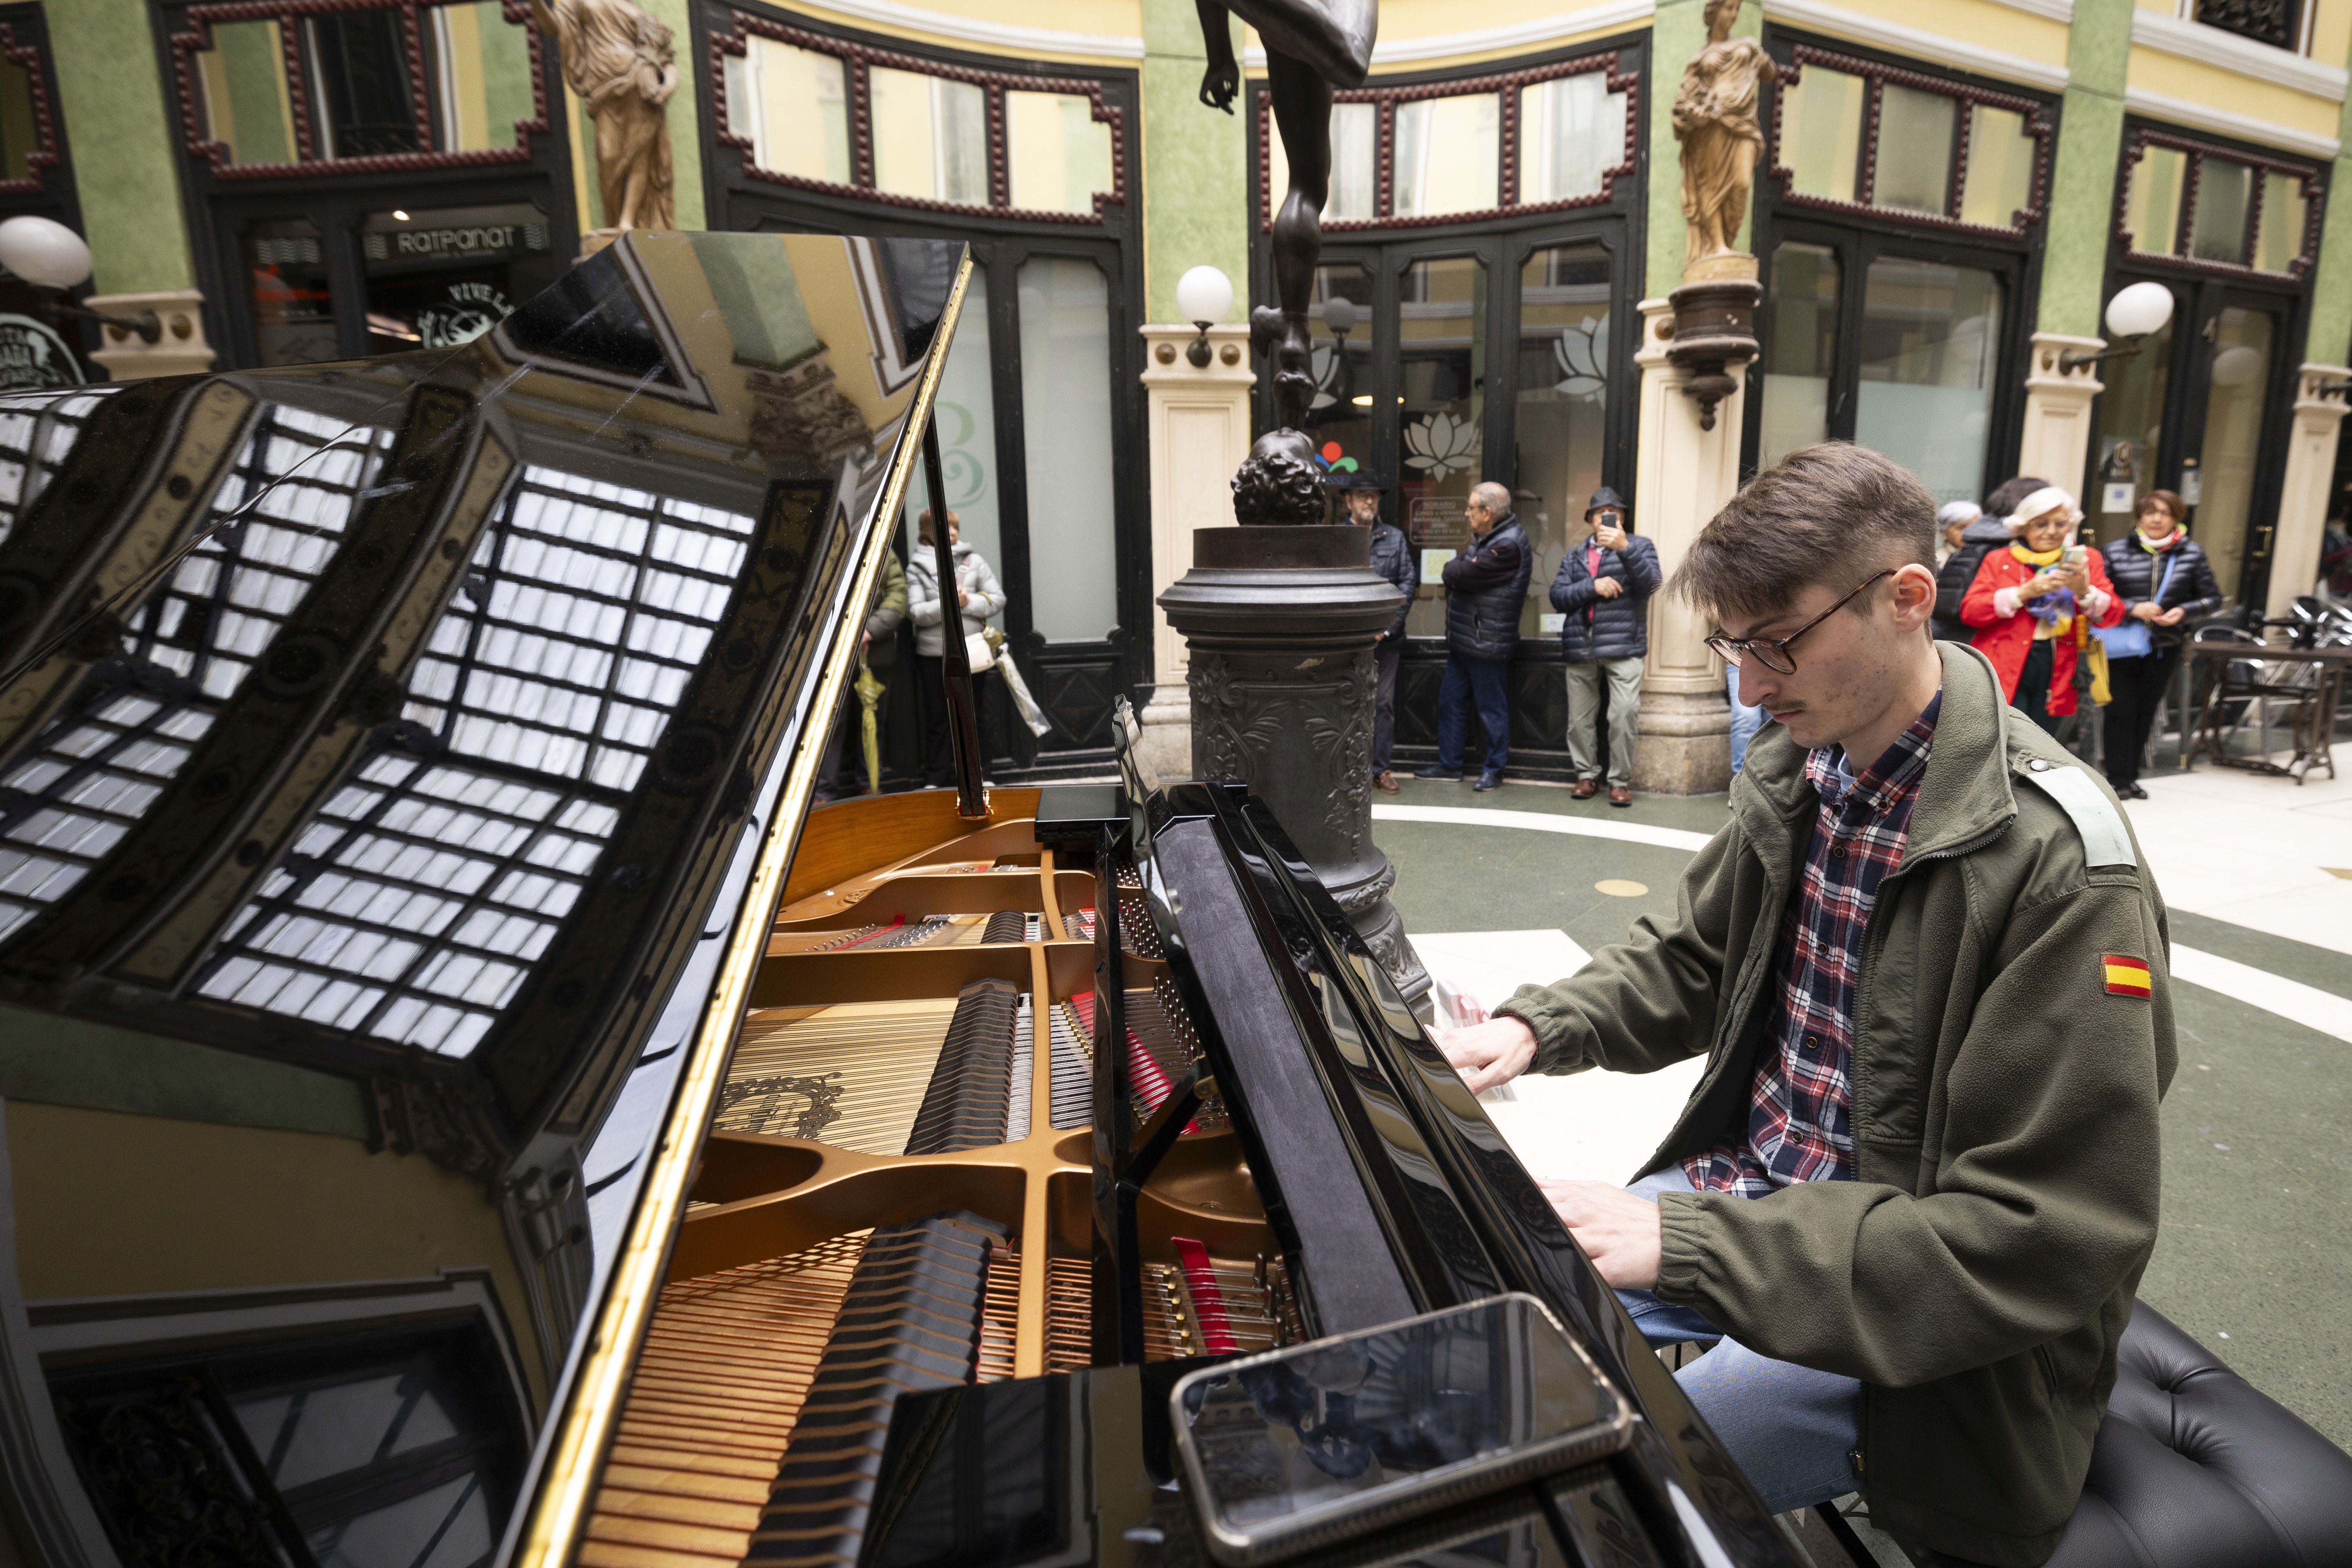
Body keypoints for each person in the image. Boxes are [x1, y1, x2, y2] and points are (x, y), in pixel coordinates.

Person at [1440, 442, 2171, 1566]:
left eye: (1775, 643)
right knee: (1465, 1340)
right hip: (1751, 1203)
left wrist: (1675, 1239)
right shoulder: (1806, 766)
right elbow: (1692, 960)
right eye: (1731, 645)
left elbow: (2034, 1239)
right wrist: (1533, 1026)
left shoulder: (2063, 871)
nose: (1744, 684)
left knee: (1590, 1491)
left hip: (1915, 1338)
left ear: (1904, 599)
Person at [1960, 486, 2124, 736]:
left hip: (2059, 663)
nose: (2051, 532)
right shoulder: (2000, 559)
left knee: (2043, 740)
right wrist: (2023, 593)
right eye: (2041, 524)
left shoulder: (2086, 560)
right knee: (2005, 736)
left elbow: (2113, 615)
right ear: (2023, 527)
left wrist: (2083, 591)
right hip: (2003, 660)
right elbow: (1970, 612)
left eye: (2060, 524)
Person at [2097, 489, 2220, 798]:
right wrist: (2131, 608)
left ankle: (2131, 776)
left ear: (2177, 517)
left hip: (2165, 643)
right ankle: (2116, 778)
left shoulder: (2192, 553)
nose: (2156, 518)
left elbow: (2212, 598)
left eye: (2165, 513)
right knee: (2120, 710)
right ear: (2139, 516)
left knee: (2145, 711)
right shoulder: (2113, 551)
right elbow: (2100, 595)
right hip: (2121, 643)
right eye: (2150, 512)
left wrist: (2185, 611)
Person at [1548, 486, 1660, 807]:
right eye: (1601, 513)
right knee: (1580, 719)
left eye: (1615, 513)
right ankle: (1586, 775)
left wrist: (1625, 549)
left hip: (1624, 645)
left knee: (1624, 714)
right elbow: (1558, 597)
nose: (1608, 518)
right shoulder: (1575, 555)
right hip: (1581, 646)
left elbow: (1651, 584)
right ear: (1591, 519)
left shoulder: (1639, 546)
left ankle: (1619, 781)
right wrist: (1591, 586)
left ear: (1622, 518)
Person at [1415, 482, 1529, 791]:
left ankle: (1494, 770)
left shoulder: (1507, 545)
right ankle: (1450, 765)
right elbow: (1459, 569)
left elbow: (1456, 573)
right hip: (1467, 639)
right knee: (1451, 702)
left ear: (1487, 512)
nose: (1467, 513)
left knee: (1492, 710)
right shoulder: (1486, 538)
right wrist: (1462, 566)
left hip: (1486, 642)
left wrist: (1461, 567)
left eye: (1471, 508)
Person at [906, 506, 1007, 788]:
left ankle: (982, 775)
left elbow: (998, 599)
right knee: (938, 719)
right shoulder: (916, 566)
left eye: (955, 527)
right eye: (945, 527)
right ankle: (935, 779)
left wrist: (968, 602)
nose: (952, 532)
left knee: (975, 715)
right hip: (933, 656)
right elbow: (915, 612)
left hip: (971, 652)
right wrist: (949, 602)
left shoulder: (973, 561)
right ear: (928, 531)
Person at [812, 546, 908, 803]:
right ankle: (822, 792)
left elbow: (898, 596)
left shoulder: (885, 551)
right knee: (830, 724)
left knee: (873, 722)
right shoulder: (828, 545)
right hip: (832, 655)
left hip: (875, 654)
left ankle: (869, 784)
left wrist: (869, 631)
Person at [1345, 472, 1418, 794]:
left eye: (1374, 495)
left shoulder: (1394, 538)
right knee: (1345, 703)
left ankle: (1380, 768)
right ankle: (1349, 769)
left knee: (1384, 703)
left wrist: (1387, 628)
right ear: (1348, 501)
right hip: (1346, 642)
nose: (1369, 501)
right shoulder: (1337, 538)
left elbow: (1407, 584)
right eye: (1363, 495)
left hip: (1386, 642)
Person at [1932, 474, 2045, 642]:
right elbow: (1974, 608)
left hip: (1956, 636)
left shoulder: (1976, 541)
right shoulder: (2003, 550)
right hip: (1986, 641)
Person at [1934, 500, 1979, 567]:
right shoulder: (1938, 561)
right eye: (1962, 528)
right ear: (1943, 532)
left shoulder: (1982, 556)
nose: (1969, 533)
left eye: (1974, 528)